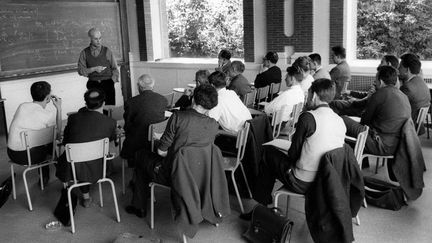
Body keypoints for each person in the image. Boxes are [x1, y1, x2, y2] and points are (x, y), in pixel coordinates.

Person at [125, 84, 220, 218]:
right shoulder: (214, 124)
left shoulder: (178, 117)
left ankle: (139, 206)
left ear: (193, 99)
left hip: (174, 174)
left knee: (141, 156)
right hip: (200, 173)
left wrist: (168, 149)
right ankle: (140, 201)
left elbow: (161, 151)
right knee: (146, 160)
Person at [252, 78, 346, 207]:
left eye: (308, 95)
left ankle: (260, 206)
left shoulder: (308, 117)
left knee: (268, 154)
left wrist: (283, 149)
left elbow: (293, 154)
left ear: (314, 96)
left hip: (302, 181)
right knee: (274, 157)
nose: (306, 99)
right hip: (326, 180)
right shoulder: (339, 120)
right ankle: (262, 203)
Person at [56, 89, 117, 208]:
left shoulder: (73, 119)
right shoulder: (110, 122)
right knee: (90, 156)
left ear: (85, 104)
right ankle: (86, 195)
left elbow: (66, 142)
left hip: (72, 167)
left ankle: (84, 195)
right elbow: (111, 141)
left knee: (70, 156)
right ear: (103, 103)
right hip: (100, 166)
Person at [342, 66, 411, 156]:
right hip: (398, 145)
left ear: (381, 82)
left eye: (376, 80)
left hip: (380, 143)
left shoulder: (379, 94)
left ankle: (350, 157)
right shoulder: (403, 95)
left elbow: (364, 121)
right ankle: (358, 158)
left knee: (342, 119)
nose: (375, 83)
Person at [7, 81, 62, 186]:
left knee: (43, 142)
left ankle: (44, 177)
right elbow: (58, 135)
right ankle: (62, 171)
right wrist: (59, 108)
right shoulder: (48, 115)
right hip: (30, 156)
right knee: (51, 144)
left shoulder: (22, 106)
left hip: (13, 154)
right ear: (48, 98)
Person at [120, 74, 167, 166]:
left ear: (139, 87)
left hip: (137, 142)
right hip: (156, 140)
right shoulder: (163, 100)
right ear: (152, 86)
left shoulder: (131, 102)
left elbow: (128, 125)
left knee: (131, 135)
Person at [330, 55, 399, 116]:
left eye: (381, 62)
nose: (379, 64)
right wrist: (350, 93)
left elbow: (368, 103)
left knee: (336, 108)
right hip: (362, 105)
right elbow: (368, 96)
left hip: (362, 110)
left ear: (388, 64)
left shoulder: (385, 86)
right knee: (335, 103)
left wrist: (354, 100)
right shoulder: (386, 82)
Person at [77, 27, 119, 105]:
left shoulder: (107, 51)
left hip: (107, 83)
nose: (98, 41)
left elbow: (115, 68)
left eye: (100, 38)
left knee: (109, 109)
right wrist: (93, 69)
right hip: (93, 84)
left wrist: (112, 81)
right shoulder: (84, 53)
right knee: (95, 108)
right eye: (96, 39)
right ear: (90, 39)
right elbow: (80, 71)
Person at [398, 53, 431, 122]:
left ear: (407, 70)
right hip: (417, 126)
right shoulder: (422, 83)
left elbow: (395, 107)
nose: (398, 69)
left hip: (407, 126)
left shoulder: (407, 88)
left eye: (400, 66)